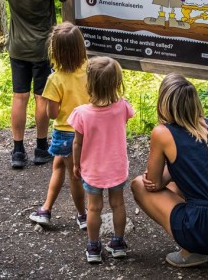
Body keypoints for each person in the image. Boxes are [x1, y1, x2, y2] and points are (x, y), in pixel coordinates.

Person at [131, 74, 208, 268]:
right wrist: (166, 179)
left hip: (205, 228)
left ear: (164, 102)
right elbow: (194, 167)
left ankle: (192, 251)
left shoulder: (162, 133)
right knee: (180, 184)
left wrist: (161, 181)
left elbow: (151, 183)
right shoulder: (205, 124)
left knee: (138, 185)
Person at [4, 0, 76, 169]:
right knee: (40, 97)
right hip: (41, 51)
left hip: (17, 49)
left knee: (19, 96)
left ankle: (17, 150)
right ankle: (41, 147)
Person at [67, 57, 134, 263]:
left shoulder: (82, 114)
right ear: (116, 83)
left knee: (94, 208)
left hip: (93, 169)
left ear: (90, 83)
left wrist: (77, 164)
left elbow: (77, 144)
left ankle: (94, 248)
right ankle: (118, 243)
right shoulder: (122, 107)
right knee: (118, 204)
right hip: (117, 167)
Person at [28, 22, 88, 229]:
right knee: (59, 167)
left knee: (72, 175)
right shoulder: (90, 71)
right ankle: (46, 209)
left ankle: (82, 215)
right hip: (87, 132)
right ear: (81, 47)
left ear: (54, 51)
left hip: (65, 133)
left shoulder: (54, 79)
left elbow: (52, 114)